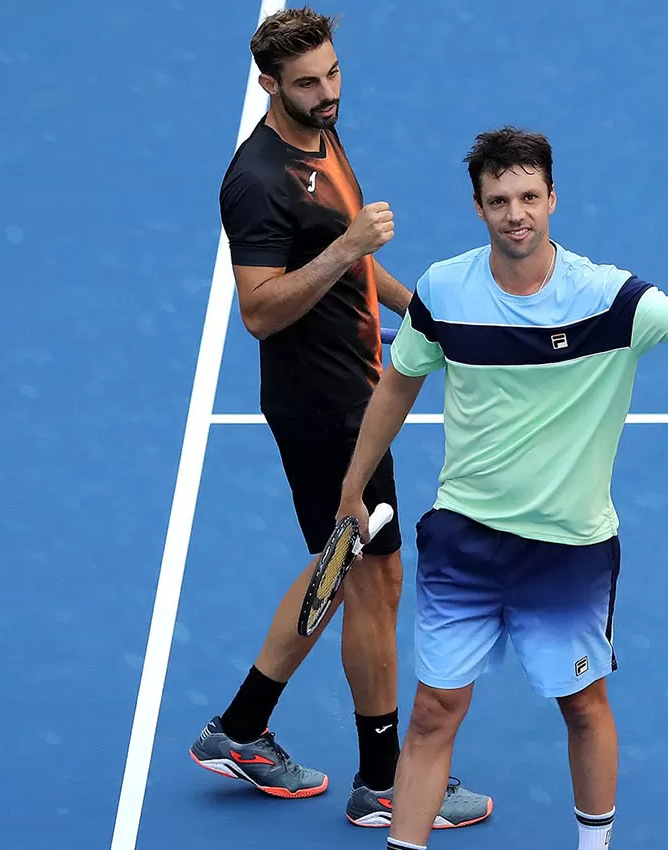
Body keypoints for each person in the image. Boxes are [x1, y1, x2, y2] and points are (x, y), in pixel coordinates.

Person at [334, 126, 668, 850]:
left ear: (552, 199)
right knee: (433, 713)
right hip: (465, 539)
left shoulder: (608, 298)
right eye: (499, 200)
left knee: (584, 707)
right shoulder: (444, 290)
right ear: (478, 208)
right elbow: (399, 383)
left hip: (568, 548)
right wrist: (354, 481)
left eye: (528, 196)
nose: (515, 212)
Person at [187, 7, 491, 831]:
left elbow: (356, 265)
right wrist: (346, 245)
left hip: (356, 387)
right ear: (268, 86)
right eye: (307, 84)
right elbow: (258, 310)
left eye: (332, 74)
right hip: (325, 410)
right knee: (375, 576)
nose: (327, 94)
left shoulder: (323, 134)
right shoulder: (256, 181)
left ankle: (242, 727)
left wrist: (430, 316)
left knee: (350, 563)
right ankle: (383, 782)